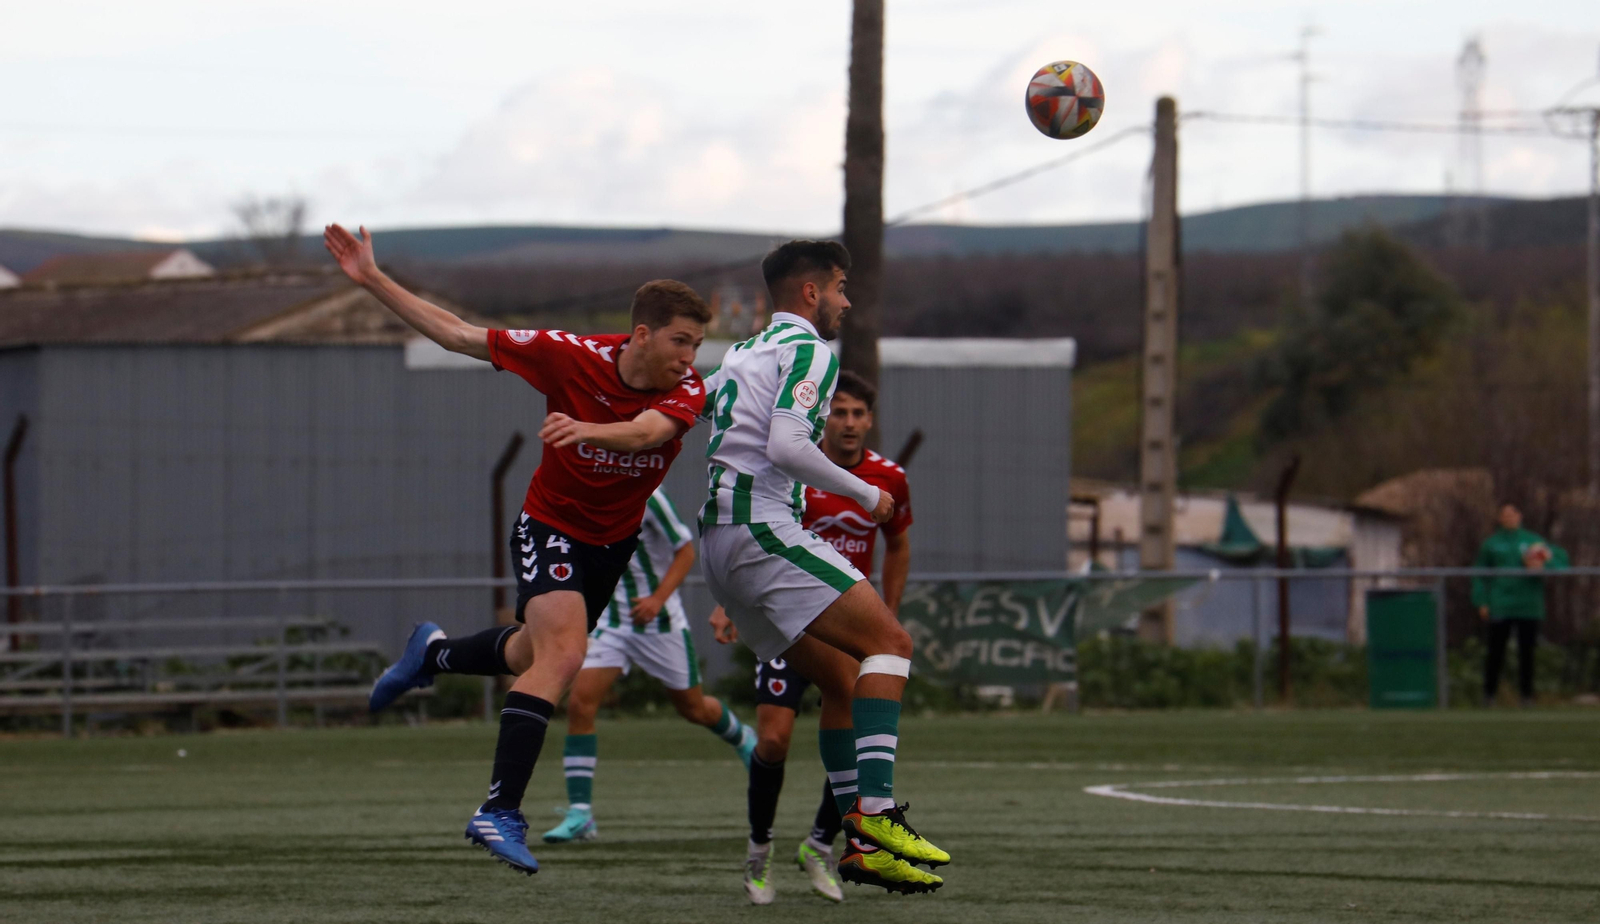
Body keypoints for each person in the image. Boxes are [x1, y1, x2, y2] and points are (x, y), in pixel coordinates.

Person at [324, 223, 710, 875]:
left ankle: (435, 652)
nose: (689, 356)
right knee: (564, 655)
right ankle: (499, 810)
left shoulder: (687, 389)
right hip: (550, 525)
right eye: (680, 340)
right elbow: (457, 334)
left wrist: (586, 427)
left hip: (609, 547)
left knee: (533, 652)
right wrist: (372, 279)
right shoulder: (568, 354)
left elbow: (646, 436)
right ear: (641, 333)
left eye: (697, 344)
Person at [696, 239, 948, 898]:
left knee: (842, 680)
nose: (846, 299)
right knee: (891, 644)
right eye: (840, 286)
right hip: (759, 528)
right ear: (811, 293)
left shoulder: (741, 352)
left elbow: (693, 411)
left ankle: (859, 846)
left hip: (720, 548)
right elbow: (786, 444)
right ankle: (877, 815)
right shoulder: (809, 350)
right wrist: (866, 493)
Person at [709, 370, 913, 904]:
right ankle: (759, 852)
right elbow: (756, 541)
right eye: (837, 411)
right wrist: (728, 602)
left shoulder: (888, 478)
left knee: (851, 710)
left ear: (869, 420)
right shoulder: (794, 469)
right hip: (785, 612)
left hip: (842, 619)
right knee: (773, 739)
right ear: (822, 416)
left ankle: (823, 843)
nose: (847, 423)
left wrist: (888, 613)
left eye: (857, 413)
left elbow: (899, 545)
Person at [541, 487, 757, 845]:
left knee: (694, 708)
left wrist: (658, 598)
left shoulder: (648, 494)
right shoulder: (584, 489)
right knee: (580, 703)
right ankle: (581, 814)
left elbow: (686, 551)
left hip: (660, 625)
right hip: (614, 623)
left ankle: (743, 737)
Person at [1471, 502, 1569, 707]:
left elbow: (1562, 561)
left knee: (1528, 653)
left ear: (1519, 516)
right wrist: (1481, 601)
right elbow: (1479, 574)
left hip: (1529, 606)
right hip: (1501, 604)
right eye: (1504, 514)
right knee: (1495, 652)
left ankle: (1527, 697)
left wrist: (1542, 565)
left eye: (1512, 514)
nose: (1508, 518)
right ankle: (1489, 696)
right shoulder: (1491, 544)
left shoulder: (1532, 541)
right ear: (1499, 518)